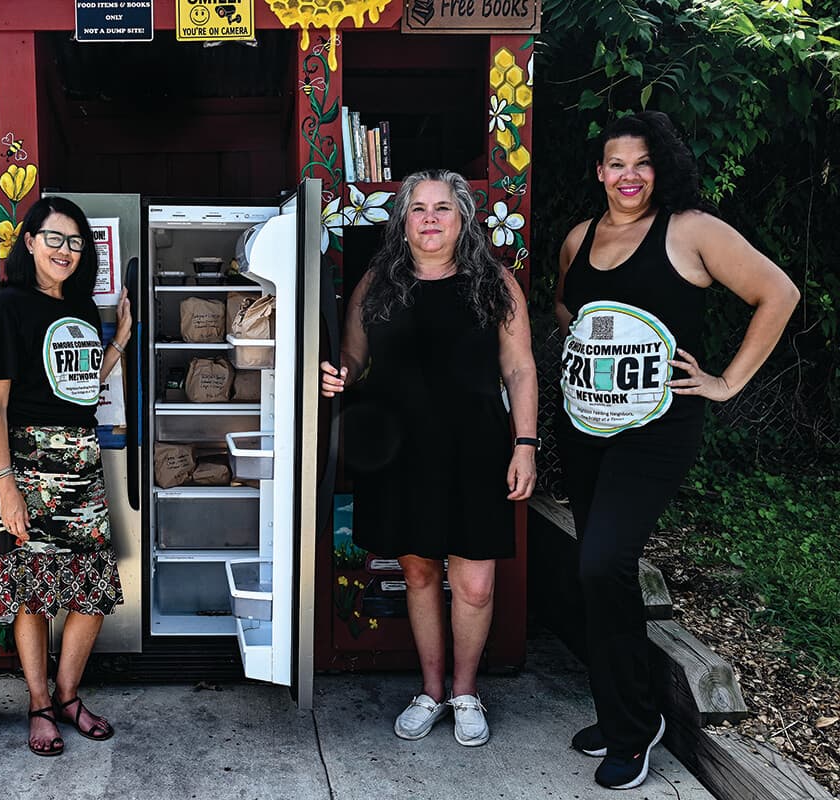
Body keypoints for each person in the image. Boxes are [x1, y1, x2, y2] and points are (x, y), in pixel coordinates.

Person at [554, 111, 800, 790]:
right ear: (599, 171)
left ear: (659, 167)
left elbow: (777, 293)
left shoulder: (692, 231)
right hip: (586, 427)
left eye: (641, 163)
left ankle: (635, 729)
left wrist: (725, 382)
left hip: (657, 430)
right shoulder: (580, 238)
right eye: (615, 164)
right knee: (592, 570)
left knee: (605, 561)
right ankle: (621, 708)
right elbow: (566, 309)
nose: (627, 176)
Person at [321, 169, 538, 748]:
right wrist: (337, 374)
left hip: (476, 448)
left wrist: (526, 444)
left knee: (473, 584)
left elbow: (519, 368)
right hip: (399, 448)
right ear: (404, 221)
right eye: (418, 208)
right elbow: (354, 355)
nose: (431, 218)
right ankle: (432, 690)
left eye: (443, 207)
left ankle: (466, 693)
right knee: (418, 572)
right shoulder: (378, 282)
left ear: (463, 217)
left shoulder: (494, 282)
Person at [0, 196, 131, 757]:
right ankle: (39, 704)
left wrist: (116, 341)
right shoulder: (7, 306)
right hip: (27, 464)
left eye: (76, 242)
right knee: (32, 597)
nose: (66, 251)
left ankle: (69, 695)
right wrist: (6, 484)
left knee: (90, 593)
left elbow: (82, 390)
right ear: (29, 241)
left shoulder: (86, 309)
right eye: (55, 238)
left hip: (83, 463)